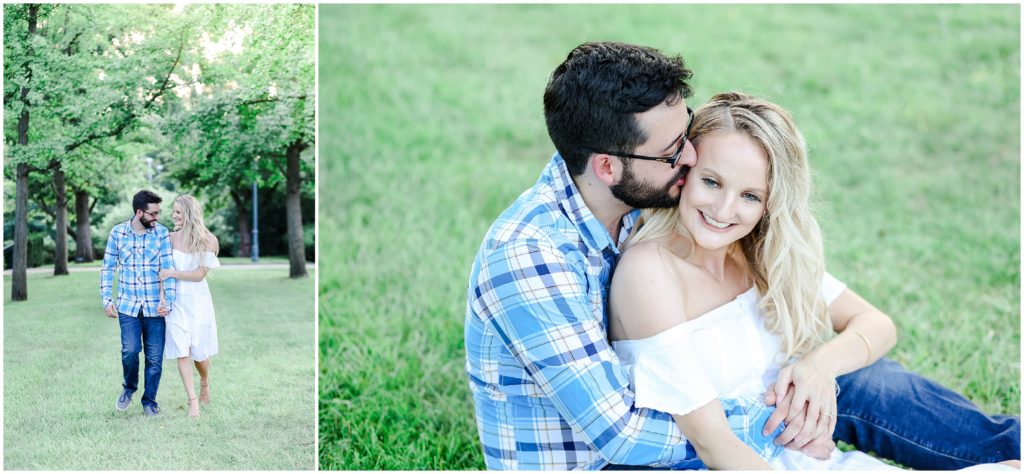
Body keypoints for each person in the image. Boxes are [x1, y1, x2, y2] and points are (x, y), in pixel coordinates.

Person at [463, 41, 1020, 470]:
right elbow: (622, 433)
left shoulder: (641, 201)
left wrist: (815, 370)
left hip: (736, 401)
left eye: (688, 138)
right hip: (622, 457)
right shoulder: (531, 258)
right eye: (675, 153)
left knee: (866, 380)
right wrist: (777, 423)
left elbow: (856, 321)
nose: (688, 156)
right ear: (609, 166)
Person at [607, 92, 1019, 469]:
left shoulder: (757, 252)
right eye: (711, 182)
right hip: (741, 459)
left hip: (801, 449)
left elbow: (877, 324)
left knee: (876, 380)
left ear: (771, 203)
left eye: (750, 195)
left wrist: (818, 366)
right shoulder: (651, 271)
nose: (724, 209)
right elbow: (713, 444)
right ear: (684, 173)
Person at [102, 189, 177, 417]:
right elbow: (108, 267)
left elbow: (168, 270)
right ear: (138, 212)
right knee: (130, 351)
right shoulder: (117, 234)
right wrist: (107, 298)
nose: (157, 217)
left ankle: (149, 402)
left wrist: (170, 301)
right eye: (153, 213)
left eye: (158, 213)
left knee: (154, 359)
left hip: (155, 307)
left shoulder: (161, 234)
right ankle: (129, 387)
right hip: (128, 306)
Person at [158, 195, 220, 419]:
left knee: (199, 354)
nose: (173, 215)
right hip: (176, 302)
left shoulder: (208, 241)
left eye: (178, 212)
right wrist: (162, 300)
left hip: (198, 301)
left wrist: (173, 273)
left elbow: (198, 275)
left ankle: (204, 381)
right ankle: (192, 400)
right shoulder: (170, 238)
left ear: (190, 214)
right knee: (181, 350)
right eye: (173, 211)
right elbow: (162, 272)